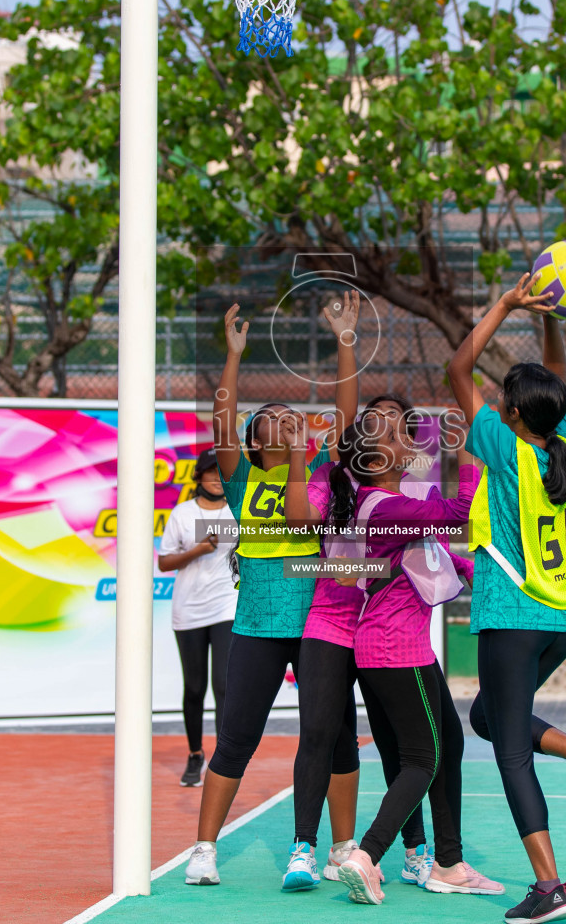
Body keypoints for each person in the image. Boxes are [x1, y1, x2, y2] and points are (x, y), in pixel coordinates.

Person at [444, 272, 566, 924]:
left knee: (508, 752)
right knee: (490, 719)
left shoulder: (502, 445)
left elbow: (457, 367)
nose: (493, 404)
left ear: (514, 415)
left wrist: (507, 303)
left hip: (513, 615)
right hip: (561, 620)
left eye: (502, 400)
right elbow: (555, 377)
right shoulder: (560, 447)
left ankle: (551, 886)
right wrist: (552, 314)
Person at [185, 293, 361, 887]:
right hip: (258, 624)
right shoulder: (240, 477)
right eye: (274, 419)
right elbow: (221, 416)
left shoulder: (317, 474)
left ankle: (340, 848)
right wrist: (234, 357)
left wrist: (344, 341)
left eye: (294, 416)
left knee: (334, 734)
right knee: (237, 737)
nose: (287, 420)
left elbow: (344, 412)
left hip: (318, 624)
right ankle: (204, 849)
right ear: (256, 440)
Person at [324, 415, 505, 905]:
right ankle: (367, 856)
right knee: (422, 759)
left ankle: (448, 864)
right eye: (395, 436)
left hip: (397, 648)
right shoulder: (385, 508)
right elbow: (462, 510)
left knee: (449, 747)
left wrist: (483, 574)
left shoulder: (389, 507)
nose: (409, 440)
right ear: (377, 459)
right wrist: (470, 445)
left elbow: (433, 557)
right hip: (394, 649)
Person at [284, 396, 442, 889]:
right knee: (320, 735)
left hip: (383, 627)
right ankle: (305, 850)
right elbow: (298, 523)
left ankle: (416, 852)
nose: (389, 428)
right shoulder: (334, 476)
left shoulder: (412, 485)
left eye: (398, 423)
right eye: (378, 420)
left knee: (401, 746)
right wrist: (347, 339)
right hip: (331, 622)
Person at [158, 450, 238, 787]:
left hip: (225, 605)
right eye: (210, 473)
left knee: (223, 684)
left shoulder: (236, 509)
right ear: (199, 477)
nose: (217, 480)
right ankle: (195, 755)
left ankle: (221, 759)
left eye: (221, 474)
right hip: (189, 609)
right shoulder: (182, 513)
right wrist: (197, 550)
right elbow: (164, 563)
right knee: (195, 688)